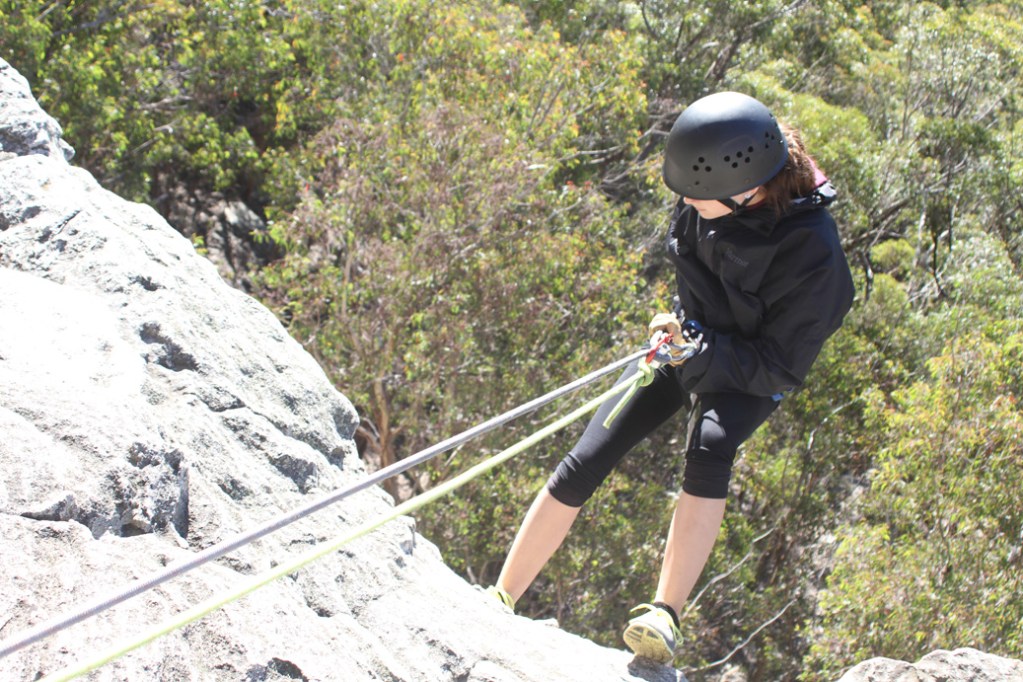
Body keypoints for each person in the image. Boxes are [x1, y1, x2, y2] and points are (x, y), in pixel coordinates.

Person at [486, 91, 855, 664]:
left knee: (710, 446)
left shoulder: (817, 257)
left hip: (751, 369)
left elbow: (780, 362)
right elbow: (693, 265)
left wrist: (701, 351)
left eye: (696, 194)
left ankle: (665, 615)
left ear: (743, 191)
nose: (684, 200)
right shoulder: (709, 193)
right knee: (595, 446)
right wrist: (679, 328)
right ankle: (502, 596)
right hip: (688, 342)